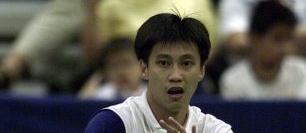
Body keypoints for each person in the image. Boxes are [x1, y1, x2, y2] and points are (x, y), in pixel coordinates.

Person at [84, 13, 232, 133]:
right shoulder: (112, 124)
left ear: (201, 70)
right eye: (164, 63)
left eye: (186, 63)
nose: (175, 76)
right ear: (144, 68)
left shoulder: (216, 130)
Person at [82, 0, 216, 62]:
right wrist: (92, 5)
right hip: (123, 79)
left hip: (183, 74)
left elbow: (211, 47)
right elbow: (94, 55)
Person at [220, 0, 306, 100]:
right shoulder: (232, 80)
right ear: (254, 38)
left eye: (289, 39)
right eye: (278, 39)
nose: (286, 48)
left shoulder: (300, 70)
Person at [218, 0, 306, 61]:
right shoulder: (238, 0)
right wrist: (303, 40)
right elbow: (236, 42)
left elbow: (246, 41)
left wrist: (265, 39)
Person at [78, 37, 145, 100]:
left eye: (127, 63)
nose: (121, 72)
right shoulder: (101, 96)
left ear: (142, 66)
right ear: (105, 72)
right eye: (114, 66)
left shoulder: (151, 94)